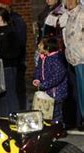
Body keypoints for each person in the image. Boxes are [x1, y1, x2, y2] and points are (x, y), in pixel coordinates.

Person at [0, 0, 27, 110]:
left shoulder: (15, 23)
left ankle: (15, 118)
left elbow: (17, 47)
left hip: (13, 65)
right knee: (4, 97)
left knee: (13, 94)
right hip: (4, 65)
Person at [33, 37, 68, 122]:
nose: (38, 45)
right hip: (47, 92)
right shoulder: (43, 58)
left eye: (41, 44)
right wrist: (38, 79)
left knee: (56, 113)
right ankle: (50, 129)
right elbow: (39, 69)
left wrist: (44, 85)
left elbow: (57, 77)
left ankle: (58, 129)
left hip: (56, 93)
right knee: (47, 112)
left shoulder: (56, 59)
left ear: (47, 47)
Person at [63, 0, 84, 129]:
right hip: (75, 59)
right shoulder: (69, 16)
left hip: (82, 57)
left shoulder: (82, 14)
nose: (69, 2)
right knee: (80, 91)